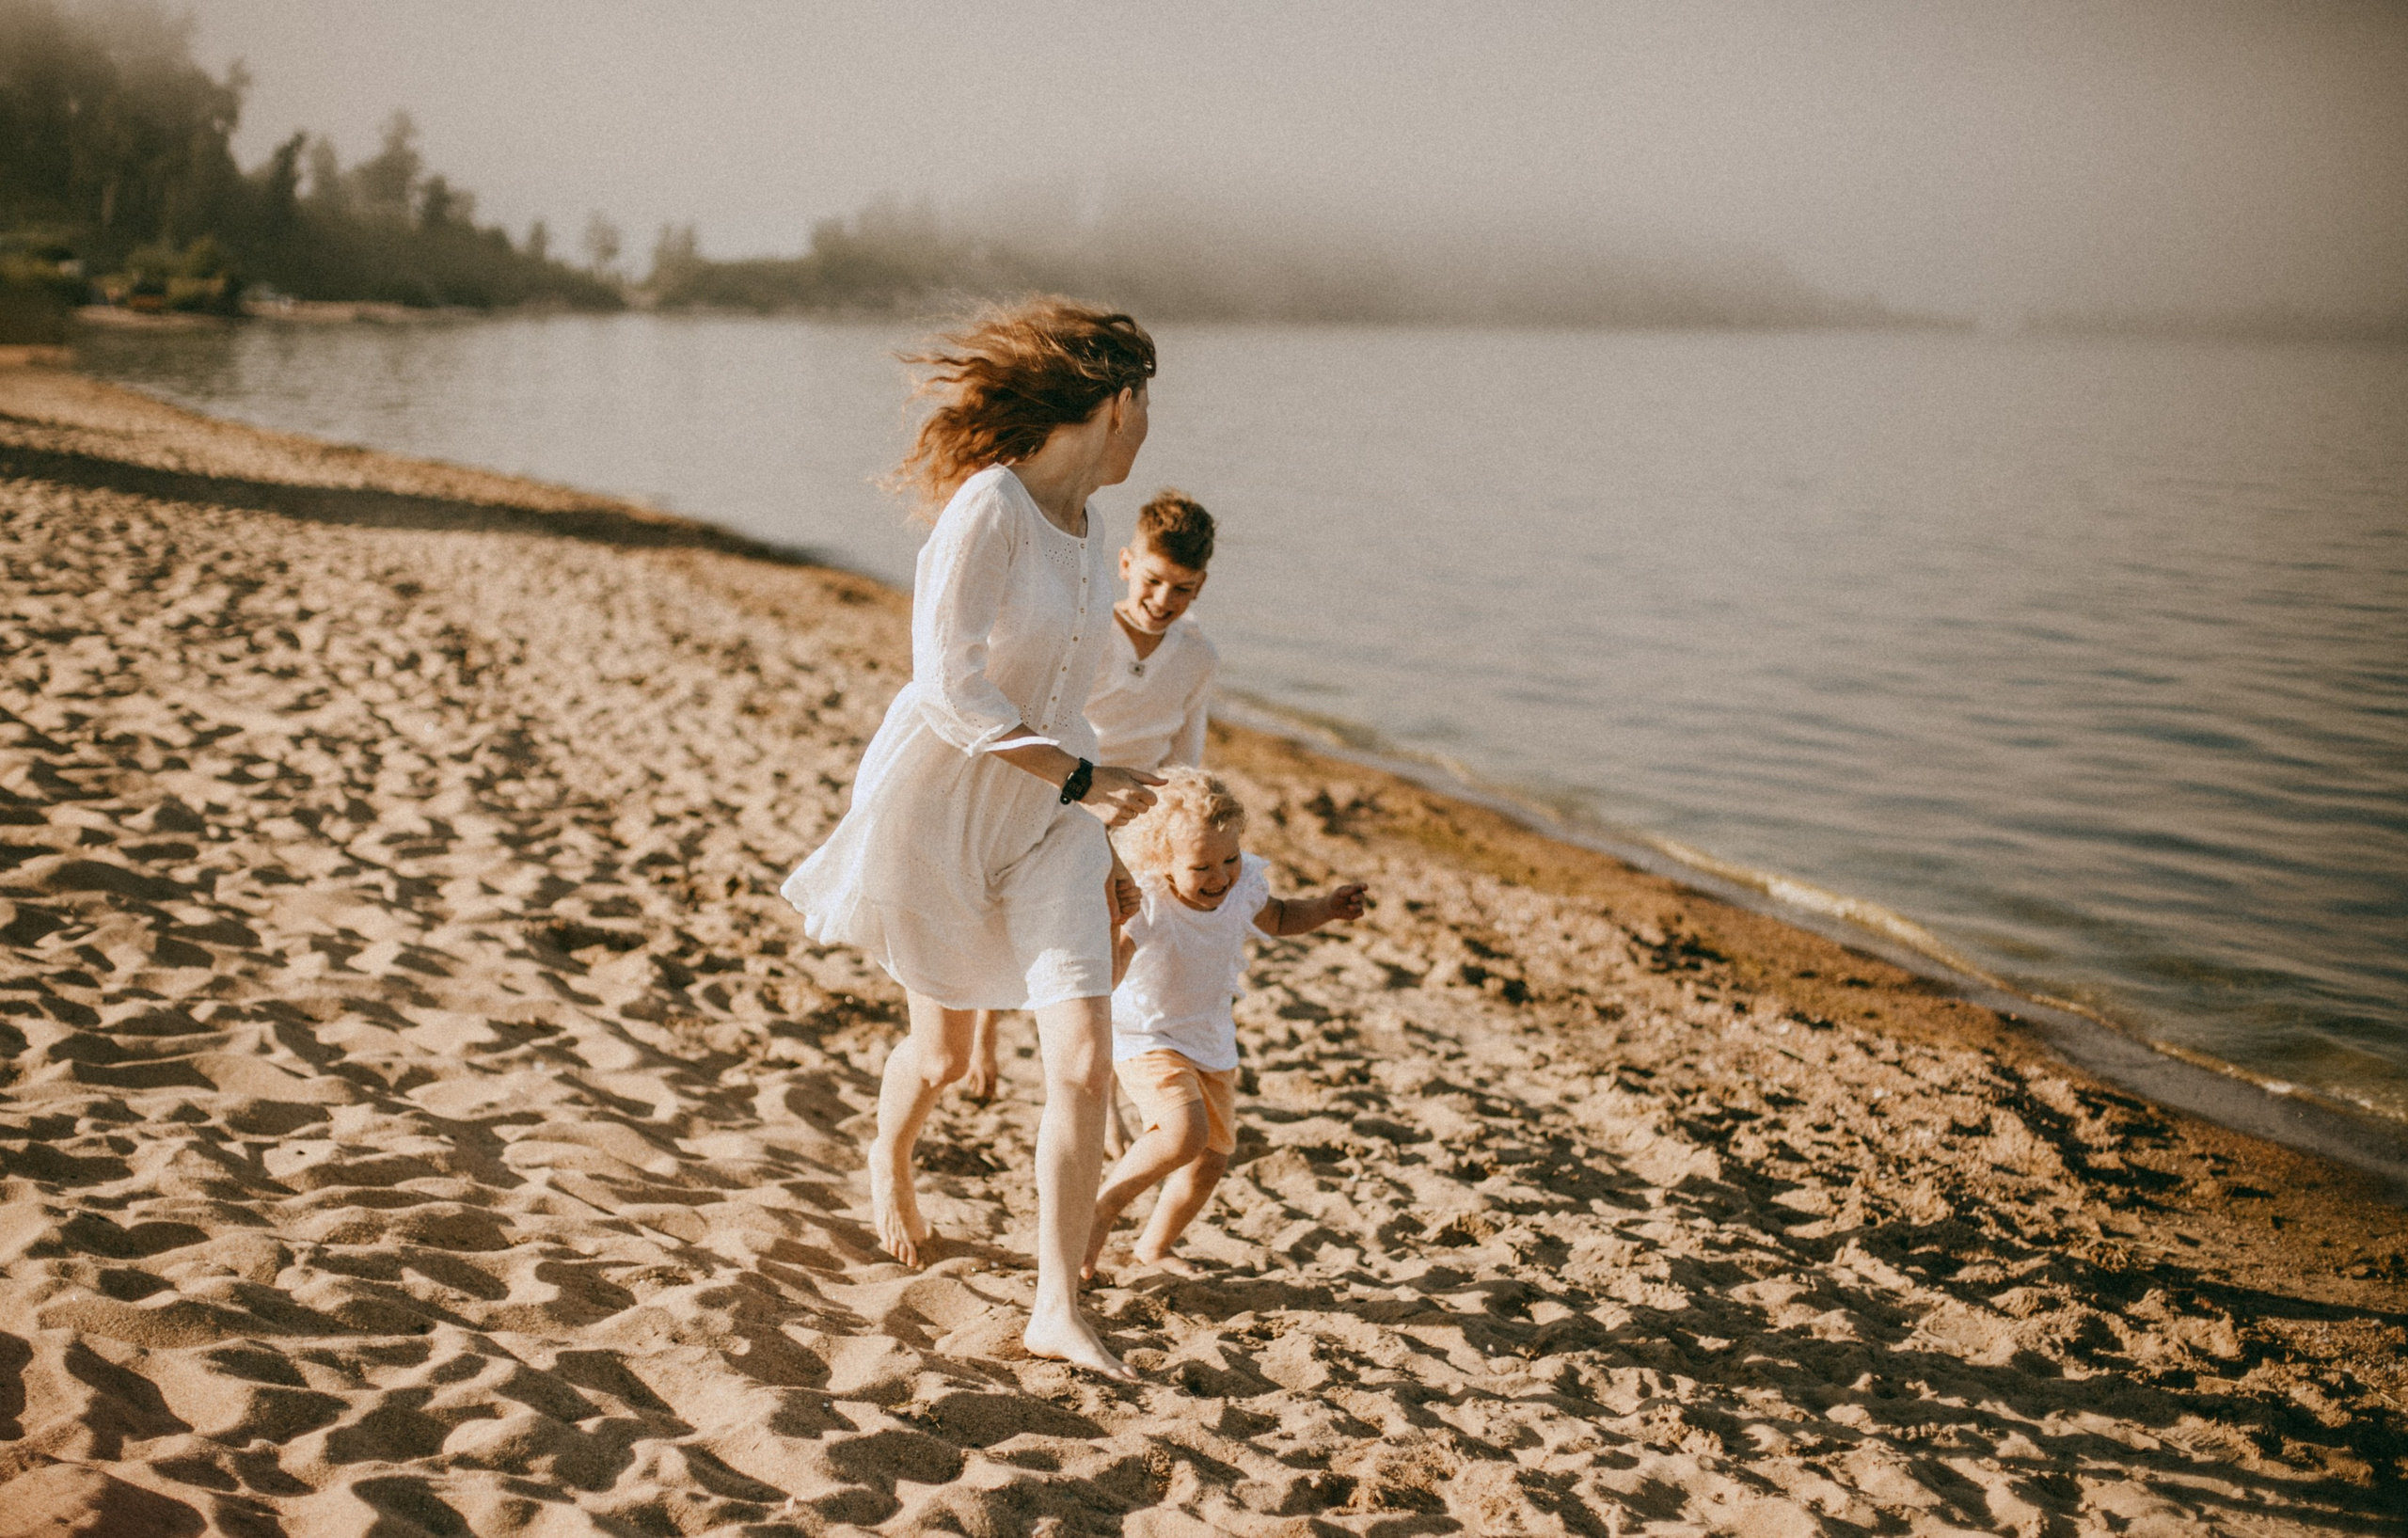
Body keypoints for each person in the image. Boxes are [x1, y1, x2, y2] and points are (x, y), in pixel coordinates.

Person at [780, 297, 1161, 1378]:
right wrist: (1086, 777)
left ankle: (1056, 1302)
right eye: (1147, 408)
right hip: (944, 807)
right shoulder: (988, 505)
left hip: (1050, 822)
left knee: (1083, 1062)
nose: (1147, 431)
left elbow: (1073, 697)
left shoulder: (1094, 532)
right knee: (945, 1055)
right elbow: (946, 684)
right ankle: (888, 1153)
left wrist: (1101, 823)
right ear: (1117, 402)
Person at [962, 490, 1222, 1136]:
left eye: (1183, 589)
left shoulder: (1197, 656)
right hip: (1069, 787)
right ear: (1128, 561)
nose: (1164, 600)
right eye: (1155, 580)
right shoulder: (1089, 632)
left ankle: (1098, 1090)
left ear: (1201, 586)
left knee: (1115, 943)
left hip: (1140, 813)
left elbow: (1187, 758)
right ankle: (987, 1025)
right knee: (1009, 915)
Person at [1083, 769, 1368, 1278]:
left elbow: (1279, 917)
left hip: (1210, 1036)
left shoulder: (1242, 887)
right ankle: (1100, 1209)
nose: (1220, 877)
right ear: (1162, 861)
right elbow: (1109, 974)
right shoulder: (1149, 903)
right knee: (1181, 1133)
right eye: (1202, 867)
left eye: (1229, 859)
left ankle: (1154, 1246)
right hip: (1147, 1033)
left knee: (1211, 1158)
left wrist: (1325, 909)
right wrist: (1111, 922)